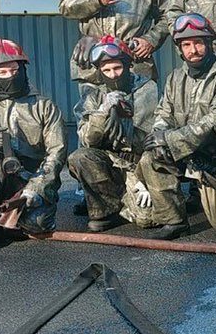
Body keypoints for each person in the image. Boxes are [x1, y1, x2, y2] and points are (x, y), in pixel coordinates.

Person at [138, 13, 216, 240]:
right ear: (180, 49)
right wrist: (160, 134)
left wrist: (169, 139)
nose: (194, 50)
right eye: (187, 45)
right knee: (151, 157)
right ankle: (174, 221)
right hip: (189, 153)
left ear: (209, 44)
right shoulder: (175, 78)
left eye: (199, 43)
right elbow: (164, 113)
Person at [0, 39, 67, 250]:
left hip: (30, 180)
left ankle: (16, 215)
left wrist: (35, 188)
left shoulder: (44, 106)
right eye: (3, 72)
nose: (10, 76)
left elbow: (57, 152)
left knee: (36, 225)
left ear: (23, 69)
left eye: (14, 70)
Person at [67, 36, 160, 233]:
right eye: (107, 70)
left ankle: (125, 198)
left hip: (137, 162)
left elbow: (147, 139)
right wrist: (103, 111)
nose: (113, 75)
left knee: (147, 219)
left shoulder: (147, 88)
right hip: (109, 160)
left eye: (117, 68)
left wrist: (145, 178)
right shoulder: (93, 95)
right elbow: (88, 139)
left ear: (127, 66)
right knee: (80, 157)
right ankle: (104, 210)